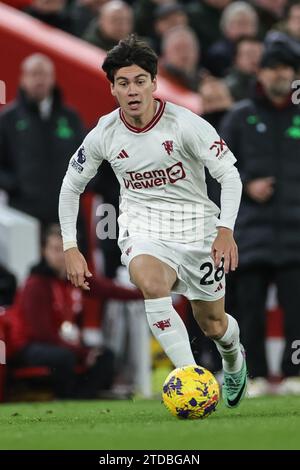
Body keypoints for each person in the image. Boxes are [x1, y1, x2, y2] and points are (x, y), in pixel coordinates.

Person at [59, 34, 247, 408]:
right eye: (124, 83)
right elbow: (70, 186)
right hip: (144, 229)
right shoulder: (104, 133)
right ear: (112, 88)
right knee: (148, 280)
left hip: (198, 229)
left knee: (213, 324)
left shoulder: (185, 124)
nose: (133, 90)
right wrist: (70, 246)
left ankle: (233, 358)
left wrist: (226, 230)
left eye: (140, 81)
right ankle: (193, 382)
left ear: (154, 83)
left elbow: (230, 176)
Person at [220, 42, 300, 395]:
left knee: (297, 311)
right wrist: (248, 185)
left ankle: (294, 373)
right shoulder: (239, 116)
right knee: (247, 309)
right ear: (260, 73)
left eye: (286, 68)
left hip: (296, 232)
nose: (280, 74)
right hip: (250, 232)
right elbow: (217, 169)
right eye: (273, 68)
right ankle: (252, 376)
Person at [8, 224, 142, 399]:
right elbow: (41, 333)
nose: (61, 256)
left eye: (65, 250)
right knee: (66, 357)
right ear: (44, 251)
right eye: (55, 249)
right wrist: (83, 353)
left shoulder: (73, 278)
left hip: (63, 343)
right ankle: (69, 396)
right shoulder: (36, 284)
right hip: (29, 346)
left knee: (105, 355)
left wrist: (144, 293)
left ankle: (86, 396)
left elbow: (107, 289)